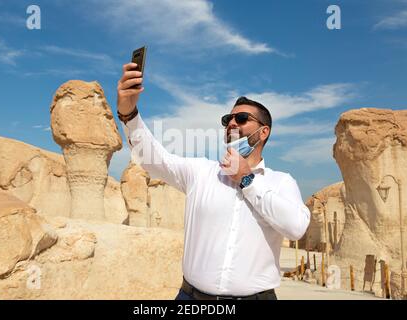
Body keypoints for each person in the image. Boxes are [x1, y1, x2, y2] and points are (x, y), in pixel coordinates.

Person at [116, 62, 310, 300]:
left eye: (241, 118)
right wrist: (129, 113)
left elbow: (296, 227)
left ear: (263, 132)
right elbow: (153, 158)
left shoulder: (281, 182)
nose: (231, 123)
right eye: (228, 119)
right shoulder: (201, 172)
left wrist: (246, 179)